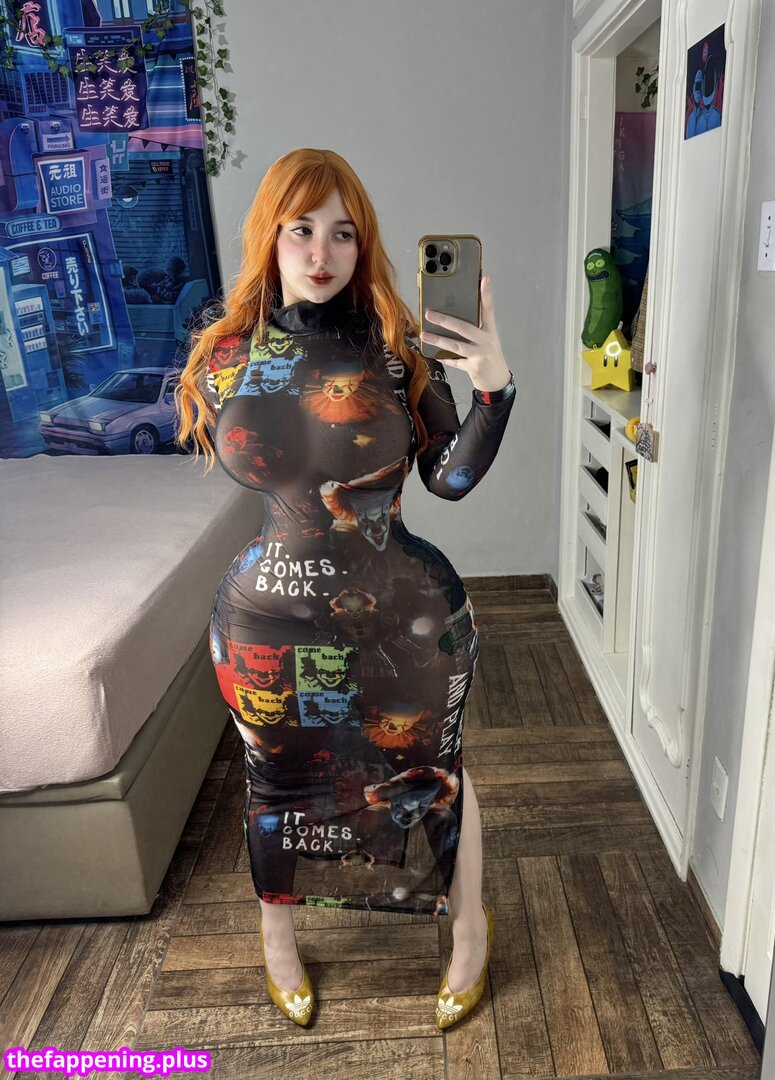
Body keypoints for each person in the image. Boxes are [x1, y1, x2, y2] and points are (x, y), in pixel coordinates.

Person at [175, 148, 516, 1029]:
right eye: (301, 230)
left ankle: (468, 930)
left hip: (407, 615)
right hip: (265, 618)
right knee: (272, 777)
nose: (320, 252)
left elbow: (449, 480)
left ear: (363, 245)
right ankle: (278, 940)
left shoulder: (398, 350)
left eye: (343, 233)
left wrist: (493, 388)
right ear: (270, 235)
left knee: (435, 771)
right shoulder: (224, 353)